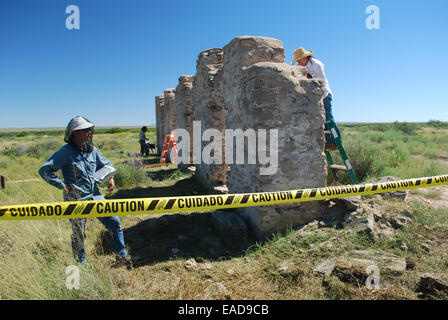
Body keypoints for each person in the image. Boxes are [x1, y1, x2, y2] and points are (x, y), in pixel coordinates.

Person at [39, 116, 137, 265]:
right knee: (79, 233)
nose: (89, 132)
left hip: (95, 195)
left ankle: (121, 256)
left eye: (90, 129)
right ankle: (81, 265)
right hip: (76, 199)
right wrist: (62, 185)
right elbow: (45, 170)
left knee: (114, 222)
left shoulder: (92, 150)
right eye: (85, 130)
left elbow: (106, 164)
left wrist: (110, 178)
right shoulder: (64, 153)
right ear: (75, 133)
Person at [291, 47, 340, 151]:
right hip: (315, 96)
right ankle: (328, 142)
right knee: (322, 121)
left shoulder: (317, 64)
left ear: (306, 57)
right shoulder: (301, 66)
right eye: (297, 60)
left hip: (324, 94)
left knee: (329, 119)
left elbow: (322, 81)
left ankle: (336, 142)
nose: (299, 62)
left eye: (300, 59)